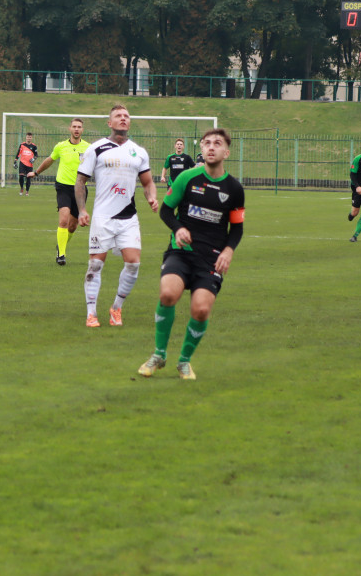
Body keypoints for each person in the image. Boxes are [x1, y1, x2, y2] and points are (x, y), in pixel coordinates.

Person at [138, 129, 245, 380]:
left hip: (211, 259)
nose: (210, 147)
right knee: (167, 293)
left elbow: (237, 228)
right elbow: (166, 211)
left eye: (217, 144)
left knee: (201, 311)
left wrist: (228, 251)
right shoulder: (187, 178)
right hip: (181, 252)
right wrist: (179, 228)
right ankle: (159, 355)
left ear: (226, 152)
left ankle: (184, 361)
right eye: (207, 143)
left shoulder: (234, 189)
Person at [75, 105, 158, 327]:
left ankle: (116, 308)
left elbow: (148, 182)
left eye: (126, 116)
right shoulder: (96, 149)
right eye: (118, 116)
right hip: (102, 218)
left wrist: (152, 197)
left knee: (133, 264)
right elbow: (80, 181)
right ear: (109, 123)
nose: (123, 119)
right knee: (95, 266)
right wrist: (82, 210)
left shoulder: (139, 152)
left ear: (129, 123)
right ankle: (91, 313)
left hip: (128, 218)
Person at [28, 118, 89, 265]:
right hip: (63, 187)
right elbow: (50, 160)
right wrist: (36, 173)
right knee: (63, 220)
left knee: (73, 226)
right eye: (74, 126)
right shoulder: (61, 146)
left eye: (79, 127)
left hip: (80, 189)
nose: (76, 129)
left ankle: (61, 245)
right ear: (69, 129)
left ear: (82, 130)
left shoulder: (89, 148)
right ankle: (61, 254)